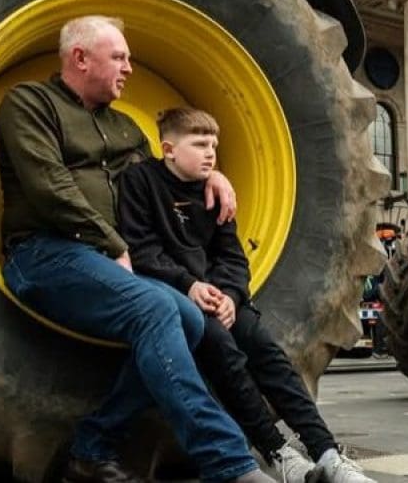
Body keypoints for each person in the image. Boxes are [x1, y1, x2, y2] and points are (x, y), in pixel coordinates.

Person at [0, 16, 271, 483]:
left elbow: (163, 181)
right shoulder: (29, 104)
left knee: (184, 314)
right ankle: (230, 463)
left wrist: (212, 174)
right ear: (80, 58)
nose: (128, 68)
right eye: (119, 57)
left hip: (105, 261)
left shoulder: (127, 128)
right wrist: (112, 243)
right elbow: (48, 186)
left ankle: (91, 446)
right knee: (156, 308)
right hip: (44, 252)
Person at [117, 107, 378, 483]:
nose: (210, 152)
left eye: (214, 145)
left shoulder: (216, 193)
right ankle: (276, 451)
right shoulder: (140, 182)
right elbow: (141, 248)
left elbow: (232, 256)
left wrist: (231, 296)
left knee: (267, 352)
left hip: (220, 299)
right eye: (200, 144)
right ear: (169, 149)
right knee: (225, 354)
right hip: (177, 294)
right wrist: (189, 285)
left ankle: (327, 453)